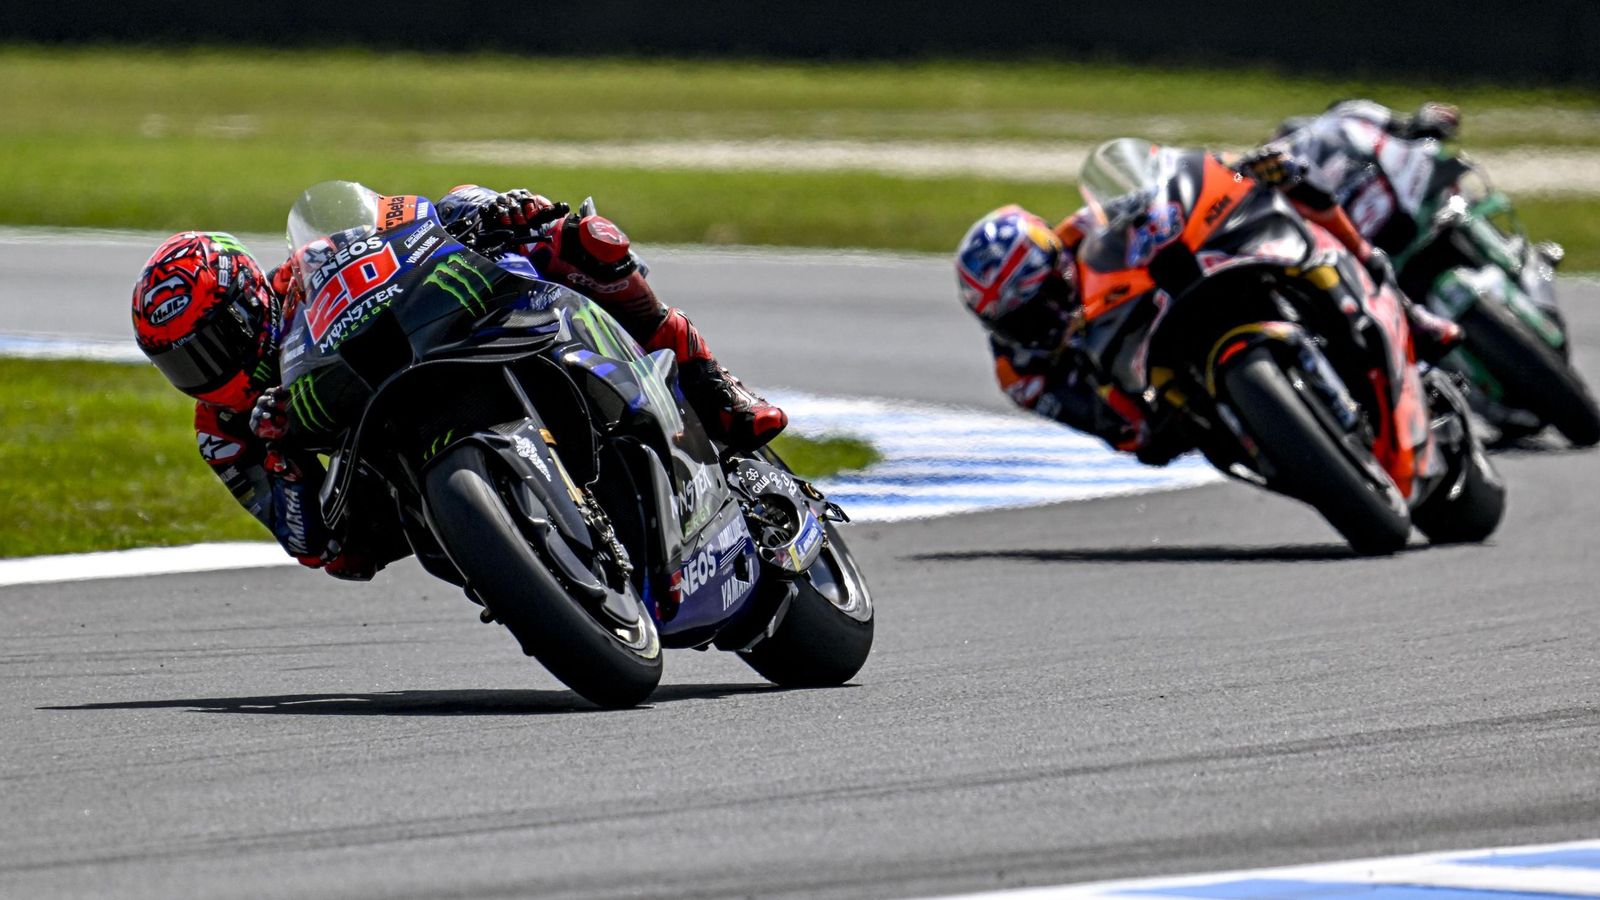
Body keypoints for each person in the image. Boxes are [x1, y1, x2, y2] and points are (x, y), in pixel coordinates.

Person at [130, 186, 786, 579]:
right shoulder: (223, 433)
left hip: (434, 342)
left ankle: (710, 383)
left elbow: (396, 219)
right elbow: (313, 547)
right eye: (181, 365)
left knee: (571, 236)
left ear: (246, 304)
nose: (204, 376)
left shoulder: (306, 271)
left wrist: (471, 211)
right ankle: (519, 559)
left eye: (209, 349)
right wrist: (282, 459)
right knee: (353, 552)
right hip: (386, 475)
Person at [953, 141, 1461, 465]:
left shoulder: (1081, 232)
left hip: (1168, 304)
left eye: (1039, 304)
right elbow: (1102, 425)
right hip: (1149, 393)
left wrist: (1232, 175)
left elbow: (1164, 195)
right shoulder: (1018, 372)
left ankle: (1403, 307)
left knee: (1290, 184)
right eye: (1016, 322)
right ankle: (1284, 445)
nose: (1035, 326)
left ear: (1058, 267)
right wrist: (1131, 428)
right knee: (1160, 439)